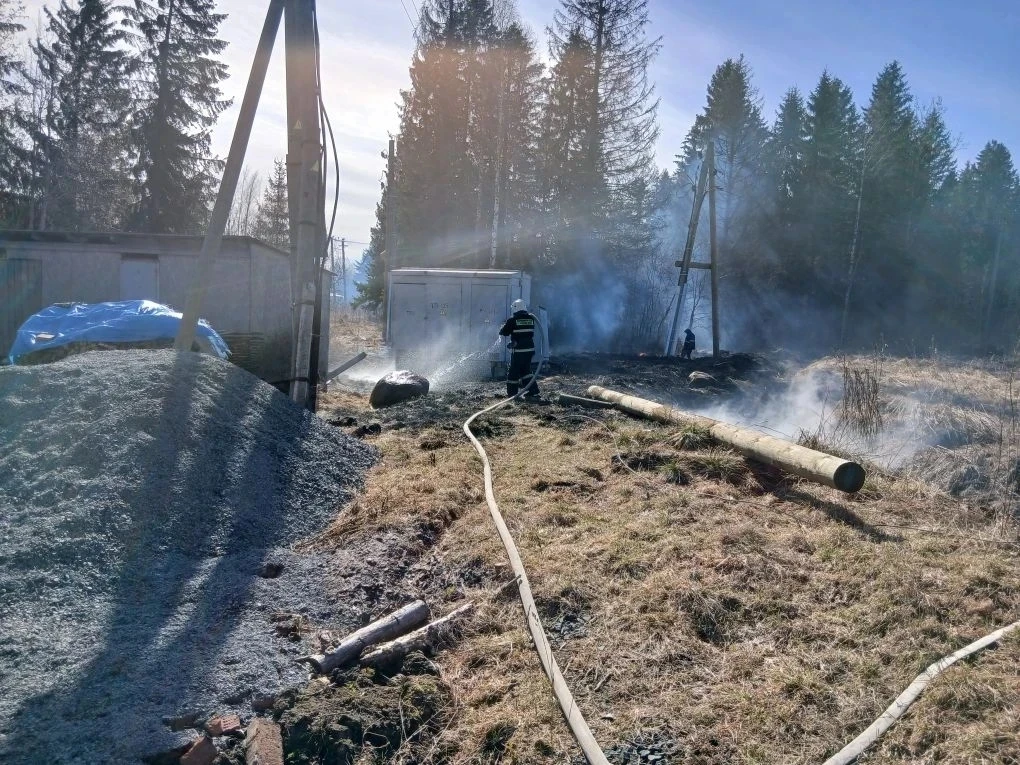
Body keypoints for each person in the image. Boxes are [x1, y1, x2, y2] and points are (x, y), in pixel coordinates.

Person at [499, 298, 540, 398]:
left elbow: (503, 332)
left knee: (513, 372)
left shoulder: (513, 320)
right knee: (526, 371)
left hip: (519, 351)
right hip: (530, 350)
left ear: (515, 308)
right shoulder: (530, 319)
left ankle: (512, 394)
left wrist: (504, 325)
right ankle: (533, 390)